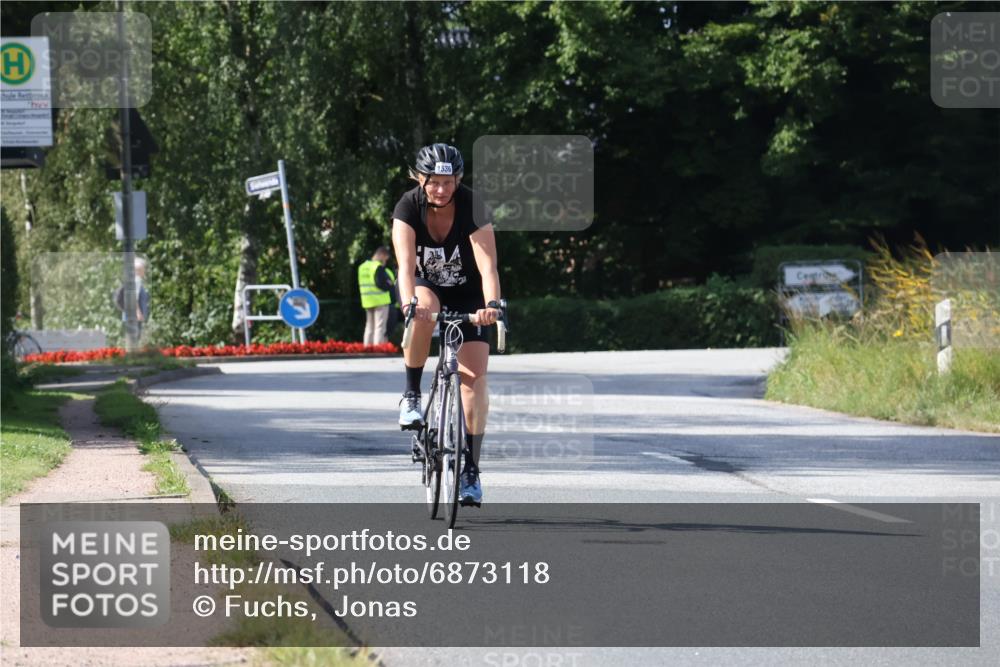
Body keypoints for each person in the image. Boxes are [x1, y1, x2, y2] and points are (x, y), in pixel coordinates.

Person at [391, 143, 502, 507]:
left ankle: (471, 469)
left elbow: (488, 267)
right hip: (426, 288)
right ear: (421, 180)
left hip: (469, 295)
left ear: (458, 179)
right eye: (434, 181)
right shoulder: (408, 207)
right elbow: (405, 268)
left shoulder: (473, 205)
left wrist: (491, 306)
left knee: (474, 380)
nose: (442, 189)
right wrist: (409, 304)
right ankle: (411, 394)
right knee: (422, 307)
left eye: (448, 181)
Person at [357, 246, 395, 346]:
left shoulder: (362, 267)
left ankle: (367, 349)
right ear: (381, 254)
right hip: (380, 300)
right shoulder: (377, 266)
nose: (385, 261)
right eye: (385, 258)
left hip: (367, 300)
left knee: (369, 326)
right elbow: (380, 283)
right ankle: (378, 350)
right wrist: (390, 285)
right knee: (380, 327)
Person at [114, 257, 151, 339]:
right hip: (134, 316)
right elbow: (134, 298)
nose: (144, 270)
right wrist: (138, 313)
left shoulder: (132, 280)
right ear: (138, 270)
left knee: (131, 339)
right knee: (134, 340)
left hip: (129, 315)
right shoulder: (137, 280)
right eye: (143, 268)